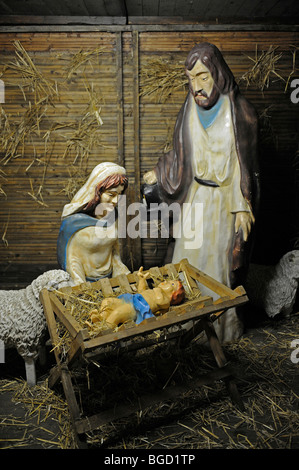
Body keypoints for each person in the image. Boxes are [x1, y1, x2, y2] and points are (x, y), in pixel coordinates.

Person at [142, 43, 260, 342]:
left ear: (217, 74)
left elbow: (243, 168)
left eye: (203, 77)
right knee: (186, 262)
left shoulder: (240, 113)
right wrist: (161, 171)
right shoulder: (189, 108)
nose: (196, 86)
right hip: (195, 197)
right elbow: (184, 157)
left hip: (223, 202)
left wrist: (243, 206)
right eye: (191, 78)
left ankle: (220, 334)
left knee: (217, 267)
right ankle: (186, 331)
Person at [57, 162, 130, 285]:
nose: (116, 200)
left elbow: (113, 251)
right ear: (97, 193)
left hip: (110, 281)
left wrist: (122, 275)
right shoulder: (74, 224)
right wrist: (83, 289)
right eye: (111, 194)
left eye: (119, 194)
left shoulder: (113, 217)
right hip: (85, 283)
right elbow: (72, 261)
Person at [90, 267, 185, 328]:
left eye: (171, 284)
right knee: (108, 302)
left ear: (173, 295)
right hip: (130, 299)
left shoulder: (165, 301)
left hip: (135, 309)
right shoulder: (154, 291)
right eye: (169, 281)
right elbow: (141, 292)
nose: (166, 282)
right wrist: (142, 280)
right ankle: (101, 319)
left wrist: (158, 289)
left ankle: (104, 329)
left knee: (117, 313)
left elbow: (160, 302)